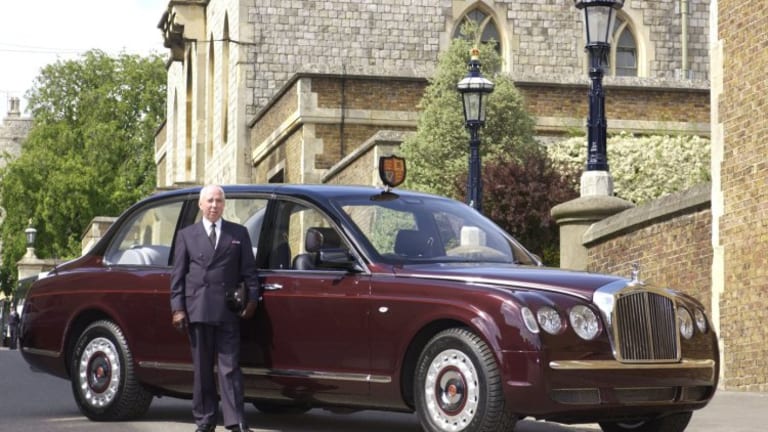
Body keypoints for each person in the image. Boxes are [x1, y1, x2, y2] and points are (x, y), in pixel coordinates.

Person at [170, 185, 260, 432]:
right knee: (202, 370)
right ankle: (205, 420)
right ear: (200, 205)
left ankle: (236, 421)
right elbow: (177, 277)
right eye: (209, 201)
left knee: (230, 368)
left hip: (228, 310)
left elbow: (249, 273)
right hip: (197, 309)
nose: (214, 205)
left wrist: (252, 300)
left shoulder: (238, 233)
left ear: (224, 205)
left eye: (218, 201)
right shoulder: (186, 235)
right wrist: (177, 308)